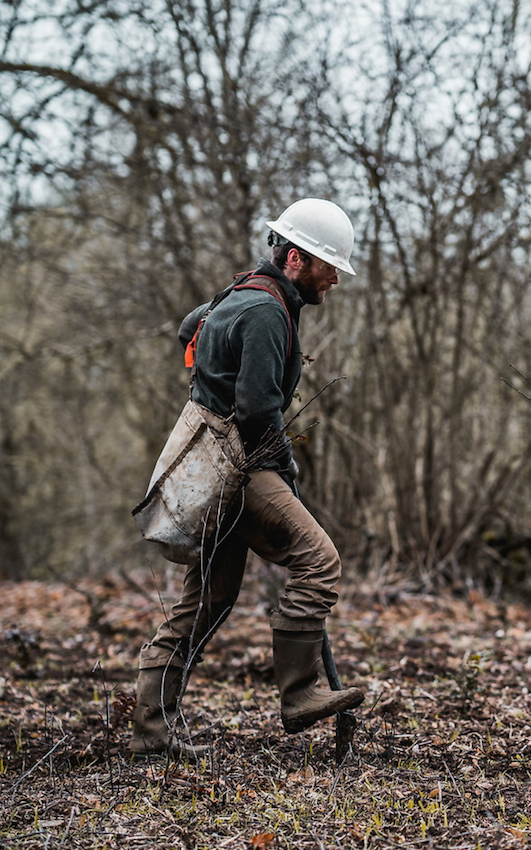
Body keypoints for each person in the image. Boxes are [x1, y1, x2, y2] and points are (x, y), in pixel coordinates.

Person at [130, 198, 365, 758]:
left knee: (207, 599)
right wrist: (286, 468)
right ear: (293, 259)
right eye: (327, 267)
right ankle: (300, 694)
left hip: (212, 463)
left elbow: (192, 327)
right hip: (241, 464)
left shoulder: (240, 294)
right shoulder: (264, 312)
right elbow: (259, 409)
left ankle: (149, 734)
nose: (333, 280)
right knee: (320, 560)